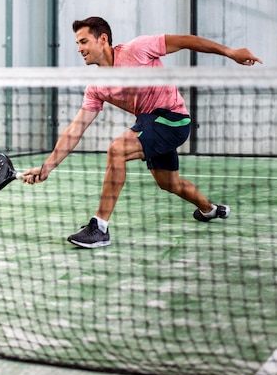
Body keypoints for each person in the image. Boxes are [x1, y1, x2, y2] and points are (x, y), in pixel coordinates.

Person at [22, 17, 262, 249]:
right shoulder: (96, 88)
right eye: (77, 43)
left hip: (173, 119)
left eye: (83, 41)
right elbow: (76, 129)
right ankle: (209, 210)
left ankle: (100, 228)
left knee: (117, 150)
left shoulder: (138, 49)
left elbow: (186, 40)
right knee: (169, 183)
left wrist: (230, 52)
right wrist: (47, 166)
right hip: (150, 124)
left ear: (102, 39)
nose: (79, 48)